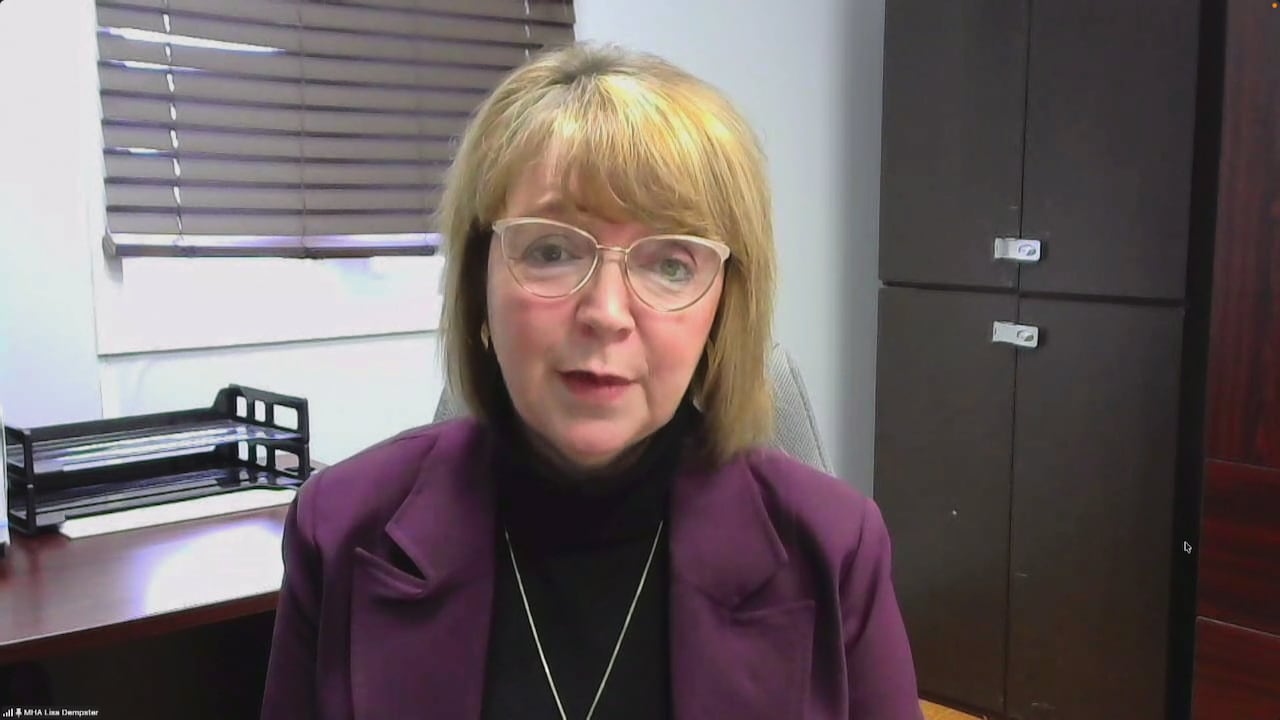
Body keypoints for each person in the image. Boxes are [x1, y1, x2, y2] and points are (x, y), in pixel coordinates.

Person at [260, 42, 922, 720]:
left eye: (670, 264)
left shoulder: (835, 544)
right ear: (476, 283)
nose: (606, 314)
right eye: (550, 250)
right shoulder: (341, 528)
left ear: (722, 309)